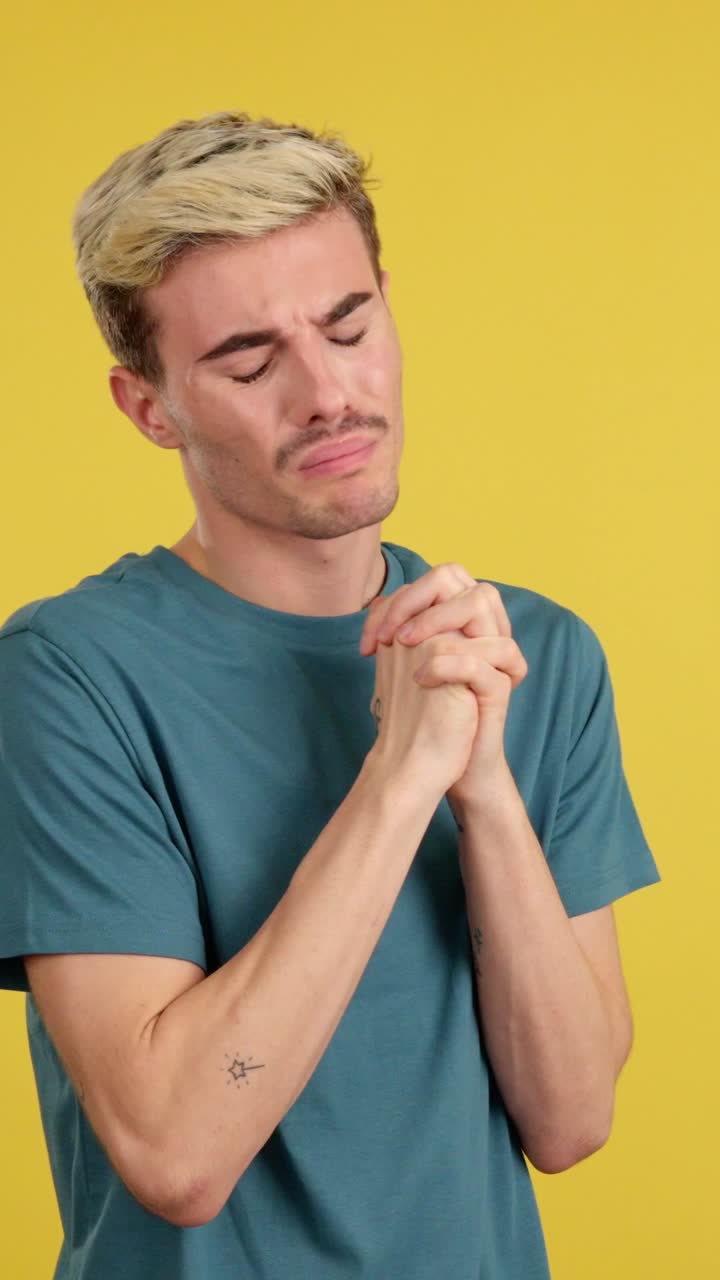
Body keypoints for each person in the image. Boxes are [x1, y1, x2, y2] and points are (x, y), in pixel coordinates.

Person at [0, 110, 661, 1280]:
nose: (326, 394)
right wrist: (401, 777)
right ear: (150, 407)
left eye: (350, 326)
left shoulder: (530, 654)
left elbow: (570, 1121)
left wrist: (487, 791)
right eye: (249, 362)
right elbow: (177, 1149)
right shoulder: (66, 675)